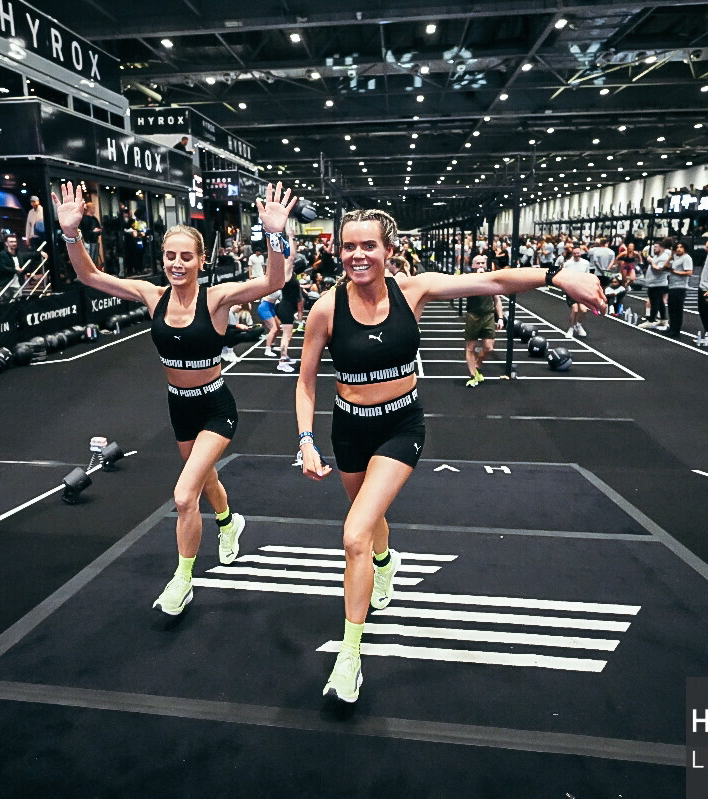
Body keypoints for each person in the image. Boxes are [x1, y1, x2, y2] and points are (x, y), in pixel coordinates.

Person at [294, 208, 605, 703]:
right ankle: (385, 562)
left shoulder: (412, 290)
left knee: (353, 534)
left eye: (368, 245)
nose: (358, 255)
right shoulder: (326, 309)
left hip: (400, 426)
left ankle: (350, 655)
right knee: (367, 518)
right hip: (348, 430)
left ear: (389, 250)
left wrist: (557, 275)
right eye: (349, 246)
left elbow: (494, 280)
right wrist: (306, 441)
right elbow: (306, 381)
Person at [54, 180, 296, 615]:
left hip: (215, 407)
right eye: (170, 256)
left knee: (185, 495)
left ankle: (183, 579)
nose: (177, 263)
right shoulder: (152, 296)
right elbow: (89, 276)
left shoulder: (218, 298)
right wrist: (72, 233)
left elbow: (275, 279)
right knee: (205, 479)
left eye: (186, 256)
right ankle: (229, 522)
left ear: (202, 260)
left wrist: (274, 234)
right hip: (179, 407)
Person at [461, 254, 504, 386]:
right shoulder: (468, 279)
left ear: (486, 265)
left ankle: (477, 363)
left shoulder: (491, 279)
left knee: (489, 348)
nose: (480, 265)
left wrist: (500, 318)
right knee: (471, 347)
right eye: (478, 263)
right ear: (473, 266)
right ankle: (473, 376)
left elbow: (497, 299)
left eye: (482, 263)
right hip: (473, 316)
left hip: (488, 316)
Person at [275, 256, 306, 372]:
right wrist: (291, 241)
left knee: (288, 336)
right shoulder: (287, 275)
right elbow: (290, 258)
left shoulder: (292, 274)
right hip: (285, 307)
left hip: (288, 308)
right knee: (286, 336)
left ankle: (285, 357)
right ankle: (282, 362)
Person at [638, 239, 671, 331]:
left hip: (658, 284)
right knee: (660, 302)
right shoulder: (657, 256)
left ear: (661, 248)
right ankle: (663, 319)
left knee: (654, 302)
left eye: (656, 247)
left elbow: (659, 269)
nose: (654, 249)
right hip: (654, 283)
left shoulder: (663, 257)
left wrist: (651, 261)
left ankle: (651, 320)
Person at [562, 244, 592, 338]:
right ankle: (570, 328)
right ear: (572, 254)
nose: (577, 255)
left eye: (578, 253)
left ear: (581, 253)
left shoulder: (586, 263)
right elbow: (564, 276)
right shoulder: (567, 264)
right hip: (571, 289)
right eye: (575, 253)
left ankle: (578, 325)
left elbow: (587, 276)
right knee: (575, 309)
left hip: (582, 289)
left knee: (583, 310)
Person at [666, 241, 694, 337]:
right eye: (677, 247)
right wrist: (670, 256)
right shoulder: (675, 257)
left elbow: (689, 273)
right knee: (671, 308)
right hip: (672, 286)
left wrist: (675, 272)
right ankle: (671, 327)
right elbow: (665, 267)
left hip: (680, 287)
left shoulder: (686, 258)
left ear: (685, 249)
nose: (678, 249)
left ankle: (676, 330)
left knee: (677, 309)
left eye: (681, 247)